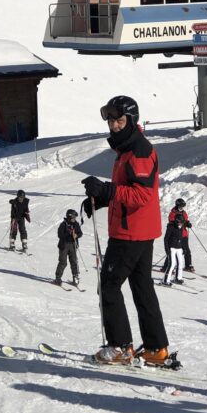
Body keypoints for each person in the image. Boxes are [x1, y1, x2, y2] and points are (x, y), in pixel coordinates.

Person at [82, 94, 171, 366]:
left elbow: (142, 194)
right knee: (142, 288)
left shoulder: (138, 150)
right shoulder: (127, 148)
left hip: (130, 232)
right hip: (139, 229)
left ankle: (120, 347)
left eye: (120, 120)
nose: (114, 126)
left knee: (109, 286)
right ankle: (156, 349)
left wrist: (108, 190)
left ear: (131, 120)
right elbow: (129, 189)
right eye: (111, 120)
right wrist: (103, 198)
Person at [162, 199, 191, 285]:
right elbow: (166, 238)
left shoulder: (182, 221)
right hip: (172, 245)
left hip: (179, 245)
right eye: (181, 206)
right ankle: (166, 279)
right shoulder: (172, 216)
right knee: (172, 263)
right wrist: (167, 249)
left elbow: (185, 221)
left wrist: (187, 223)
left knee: (180, 263)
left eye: (183, 206)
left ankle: (178, 278)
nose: (182, 208)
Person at [54, 209, 82, 286]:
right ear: (69, 217)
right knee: (63, 262)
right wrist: (69, 234)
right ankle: (58, 278)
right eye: (73, 217)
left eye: (75, 217)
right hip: (64, 245)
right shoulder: (63, 224)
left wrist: (76, 235)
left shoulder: (76, 224)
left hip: (73, 245)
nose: (74, 219)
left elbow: (80, 233)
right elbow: (60, 235)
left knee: (74, 261)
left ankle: (75, 277)